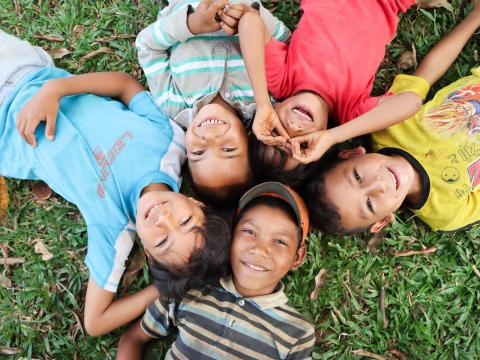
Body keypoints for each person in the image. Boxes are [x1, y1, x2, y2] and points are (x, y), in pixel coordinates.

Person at [0, 30, 232, 336]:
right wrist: (56, 88)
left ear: (148, 253)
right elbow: (125, 86)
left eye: (162, 241)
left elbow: (95, 323)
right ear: (196, 203)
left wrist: (166, 288)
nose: (164, 220)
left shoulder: (114, 230)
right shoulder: (170, 144)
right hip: (24, 69)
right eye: (186, 220)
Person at [304, 1, 480, 234]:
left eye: (357, 176)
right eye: (369, 204)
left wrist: (475, 17)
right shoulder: (445, 213)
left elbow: (429, 71)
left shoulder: (387, 123)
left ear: (352, 153)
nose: (378, 185)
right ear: (383, 221)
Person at [116, 182, 315, 360]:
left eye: (280, 241)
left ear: (297, 257)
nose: (259, 249)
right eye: (249, 231)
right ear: (230, 234)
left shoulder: (296, 333)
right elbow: (133, 338)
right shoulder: (192, 289)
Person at [238, 0, 424, 182]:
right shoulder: (350, 112)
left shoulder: (281, 82)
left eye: (276, 131)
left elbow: (249, 21)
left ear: (274, 108)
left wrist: (263, 103)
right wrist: (334, 136)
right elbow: (411, 102)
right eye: (302, 144)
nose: (294, 128)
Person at [136, 0, 291, 203]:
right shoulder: (263, 99)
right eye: (228, 149)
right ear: (248, 138)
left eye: (198, 152)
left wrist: (192, 23)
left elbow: (147, 46)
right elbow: (285, 42)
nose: (210, 138)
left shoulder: (174, 105)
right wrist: (251, 15)